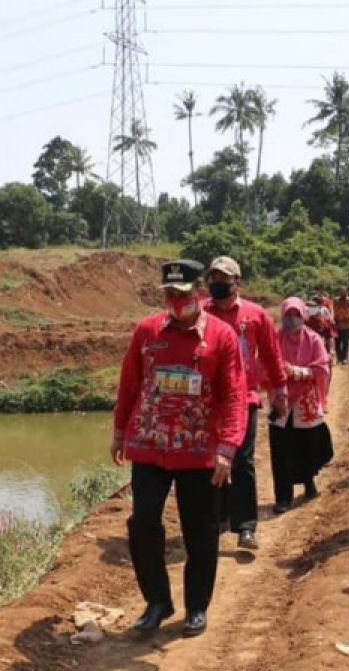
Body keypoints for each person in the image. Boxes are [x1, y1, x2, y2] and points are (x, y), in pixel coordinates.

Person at [112, 258, 248, 637]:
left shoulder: (220, 337)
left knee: (200, 530)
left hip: (199, 449)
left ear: (199, 293)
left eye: (182, 293)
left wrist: (228, 447)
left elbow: (234, 394)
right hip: (150, 445)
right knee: (143, 523)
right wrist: (120, 430)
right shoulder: (146, 332)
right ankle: (157, 601)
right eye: (168, 293)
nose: (174, 300)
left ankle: (196, 606)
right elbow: (130, 383)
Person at [204, 256, 289, 550]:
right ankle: (216, 519)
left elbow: (270, 354)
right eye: (213, 279)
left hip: (244, 398)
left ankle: (246, 526)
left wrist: (279, 390)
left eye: (223, 280)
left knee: (242, 461)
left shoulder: (255, 315)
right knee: (210, 460)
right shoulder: (201, 313)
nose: (217, 285)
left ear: (237, 283)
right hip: (208, 401)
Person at [270, 298, 334, 512]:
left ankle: (309, 482)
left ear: (303, 315)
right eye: (288, 315)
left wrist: (296, 372)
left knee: (307, 447)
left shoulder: (314, 339)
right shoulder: (275, 339)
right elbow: (266, 364)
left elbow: (322, 368)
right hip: (281, 401)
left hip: (305, 402)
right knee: (280, 450)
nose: (292, 319)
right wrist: (280, 372)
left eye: (296, 315)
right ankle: (283, 497)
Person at [332, 286, 349, 365]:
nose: (342, 293)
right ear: (339, 293)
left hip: (346, 324)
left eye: (344, 291)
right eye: (341, 292)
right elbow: (334, 310)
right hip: (337, 324)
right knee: (337, 342)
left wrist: (347, 317)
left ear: (347, 292)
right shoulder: (335, 300)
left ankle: (344, 358)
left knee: (345, 341)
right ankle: (339, 358)